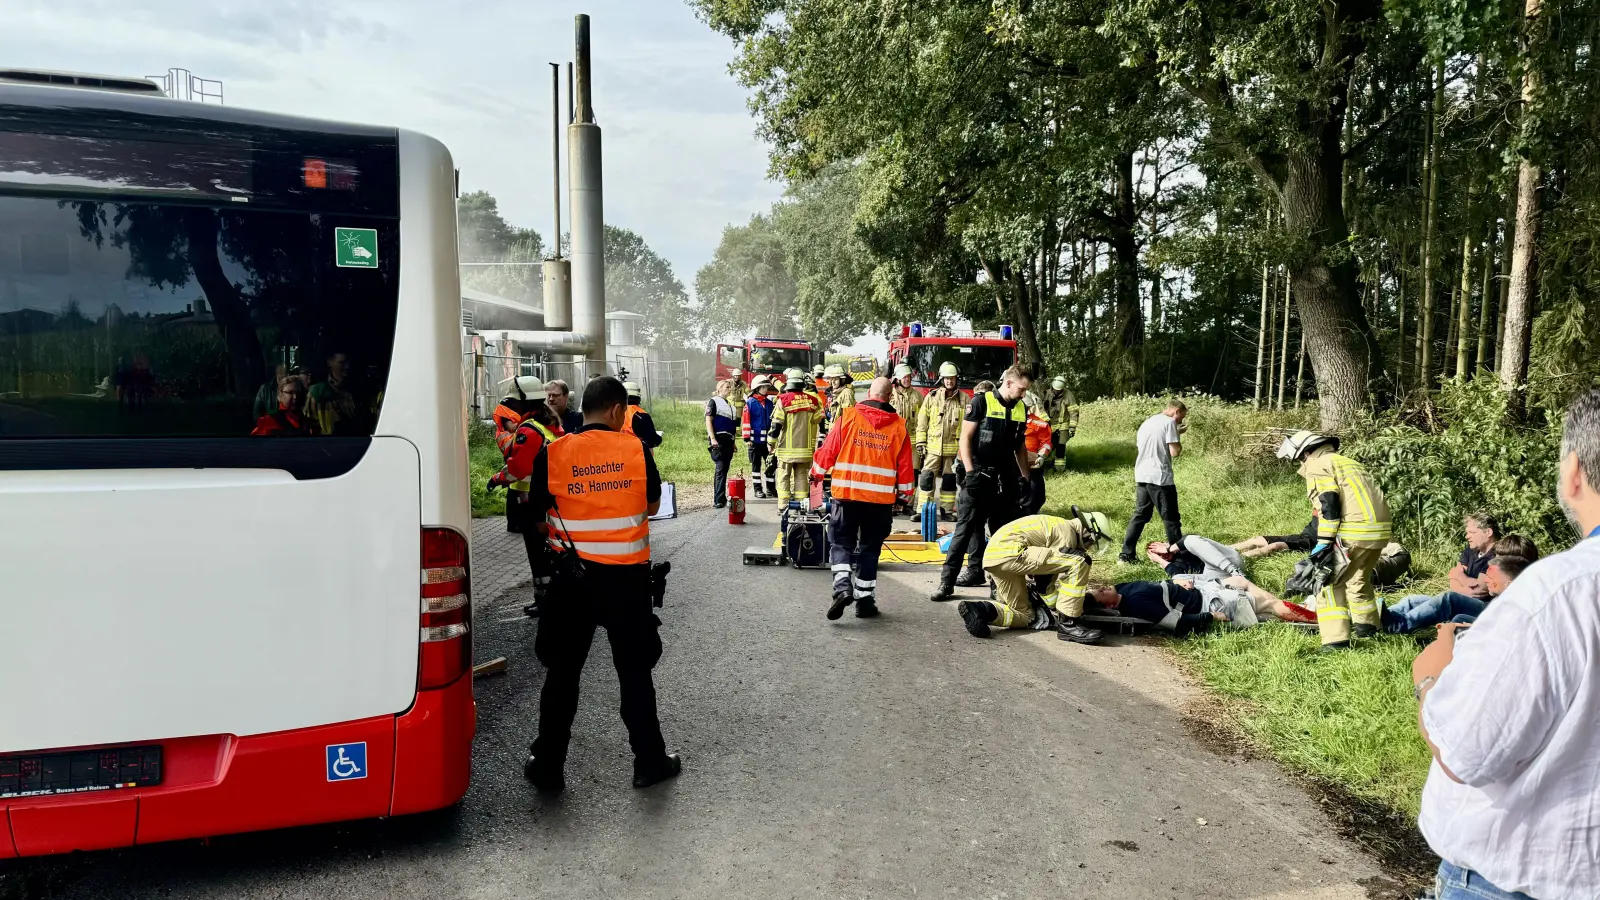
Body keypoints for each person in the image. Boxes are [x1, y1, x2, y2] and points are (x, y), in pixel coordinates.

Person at [1410, 387, 1600, 900]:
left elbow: (1467, 753)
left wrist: (1430, 678)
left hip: (1521, 878)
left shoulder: (1554, 594)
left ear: (1574, 471)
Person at [520, 376, 679, 794]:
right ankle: (649, 762)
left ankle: (549, 765)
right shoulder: (635, 449)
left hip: (571, 584)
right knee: (634, 674)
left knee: (562, 675)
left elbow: (537, 519)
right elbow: (652, 504)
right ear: (615, 410)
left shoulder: (553, 453)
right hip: (626, 583)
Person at [1276, 430, 1393, 649]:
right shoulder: (1348, 462)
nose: (1302, 463)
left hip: (1354, 532)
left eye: (1301, 458)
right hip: (1378, 533)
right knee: (1358, 581)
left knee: (1327, 584)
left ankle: (1335, 641)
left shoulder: (1318, 465)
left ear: (1307, 452)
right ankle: (1368, 629)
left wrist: (1324, 542)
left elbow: (1329, 505)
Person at [810, 377, 914, 620]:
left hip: (847, 497)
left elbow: (828, 451)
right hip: (880, 503)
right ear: (889, 397)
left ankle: (842, 587)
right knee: (870, 549)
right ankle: (864, 603)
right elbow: (906, 467)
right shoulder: (899, 426)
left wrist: (816, 474)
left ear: (868, 393)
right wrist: (904, 496)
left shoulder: (847, 417)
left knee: (841, 543)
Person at [931, 366, 1033, 601]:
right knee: (965, 530)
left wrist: (1025, 478)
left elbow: (1020, 447)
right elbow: (965, 439)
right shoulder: (981, 403)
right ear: (1008, 383)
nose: (1023, 394)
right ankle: (946, 583)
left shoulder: (1021, 409)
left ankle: (998, 585)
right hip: (979, 476)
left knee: (1002, 535)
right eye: (1021, 389)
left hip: (1004, 479)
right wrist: (970, 473)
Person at [957, 509, 1114, 644]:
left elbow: (1044, 580)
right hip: (1012, 552)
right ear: (1089, 533)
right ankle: (1069, 624)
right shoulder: (1067, 534)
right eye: (1092, 543)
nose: (1089, 547)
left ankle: (980, 611)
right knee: (1081, 561)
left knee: (1025, 615)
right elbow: (1044, 581)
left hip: (995, 559)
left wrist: (1054, 606)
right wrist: (1066, 610)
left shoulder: (1058, 525)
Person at [485, 378, 562, 617]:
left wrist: (497, 478)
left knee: (537, 553)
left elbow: (518, 468)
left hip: (532, 501)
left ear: (522, 402)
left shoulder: (529, 429)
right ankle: (555, 597)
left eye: (513, 402)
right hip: (552, 499)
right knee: (551, 550)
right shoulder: (550, 425)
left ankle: (545, 600)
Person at [1382, 535, 1539, 634]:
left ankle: (1399, 624)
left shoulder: (1520, 581)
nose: (1493, 561)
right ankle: (1379, 619)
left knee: (1448, 599)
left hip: (1490, 611)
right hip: (1485, 605)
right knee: (1414, 600)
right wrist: (1459, 581)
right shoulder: (1503, 573)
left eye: (1499, 558)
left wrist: (1459, 581)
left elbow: (1479, 589)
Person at [1085, 573, 1316, 635]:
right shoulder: (1135, 604)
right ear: (1109, 607)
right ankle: (1317, 619)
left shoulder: (1122, 588)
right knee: (1268, 604)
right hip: (1210, 603)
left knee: (1241, 581)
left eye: (1099, 587)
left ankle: (1296, 610)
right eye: (1100, 593)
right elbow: (1176, 624)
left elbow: (1161, 586)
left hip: (1203, 590)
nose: (1103, 588)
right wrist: (1210, 617)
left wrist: (1178, 581)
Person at [1118, 400, 1187, 563]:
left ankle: (1126, 555)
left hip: (1142, 474)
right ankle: (1180, 560)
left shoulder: (1148, 422)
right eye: (1181, 418)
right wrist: (1177, 435)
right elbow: (1175, 451)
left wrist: (1175, 431)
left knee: (1140, 515)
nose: (1180, 421)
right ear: (1176, 411)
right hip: (1160, 478)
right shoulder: (1170, 423)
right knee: (1171, 519)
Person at [914, 362, 967, 520]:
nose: (949, 381)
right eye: (946, 378)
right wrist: (920, 442)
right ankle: (923, 511)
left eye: (952, 378)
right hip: (933, 448)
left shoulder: (965, 399)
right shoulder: (931, 397)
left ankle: (947, 511)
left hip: (953, 449)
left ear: (956, 379)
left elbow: (969, 425)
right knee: (926, 479)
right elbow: (922, 422)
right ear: (941, 379)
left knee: (949, 482)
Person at [767, 368, 823, 507]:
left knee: (784, 477)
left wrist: (771, 442)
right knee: (801, 477)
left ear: (789, 383)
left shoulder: (783, 400)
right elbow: (819, 421)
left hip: (786, 450)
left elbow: (776, 425)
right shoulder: (812, 401)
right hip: (805, 450)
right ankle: (800, 505)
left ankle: (783, 506)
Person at [305, 351, 367, 436]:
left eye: (348, 362)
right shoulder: (317, 393)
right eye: (342, 363)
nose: (347, 367)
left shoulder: (360, 390)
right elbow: (308, 425)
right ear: (329, 363)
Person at [703, 379, 740, 509]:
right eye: (726, 387)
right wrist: (712, 438)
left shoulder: (730, 405)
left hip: (729, 440)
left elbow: (732, 426)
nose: (729, 389)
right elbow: (708, 420)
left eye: (730, 387)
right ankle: (718, 499)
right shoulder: (713, 401)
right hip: (719, 438)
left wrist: (733, 443)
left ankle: (722, 497)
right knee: (720, 468)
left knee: (724, 469)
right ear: (719, 388)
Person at [1145, 534, 1244, 582]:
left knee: (1191, 540)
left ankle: (1255, 544)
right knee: (1179, 580)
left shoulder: (1181, 544)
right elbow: (1180, 577)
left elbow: (1190, 538)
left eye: (1160, 550)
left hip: (1230, 563)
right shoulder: (1172, 566)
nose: (1162, 555)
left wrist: (1169, 549)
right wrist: (1161, 561)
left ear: (1164, 543)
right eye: (1158, 555)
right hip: (1221, 576)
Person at [742, 376, 778, 499]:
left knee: (771, 465)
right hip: (755, 441)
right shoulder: (750, 403)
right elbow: (746, 422)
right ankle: (758, 489)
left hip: (768, 441)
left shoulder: (769, 403)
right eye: (763, 387)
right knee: (756, 466)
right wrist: (747, 438)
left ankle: (771, 488)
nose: (765, 389)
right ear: (757, 388)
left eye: (766, 386)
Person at [250, 377, 318, 436]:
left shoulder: (306, 423)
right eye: (290, 393)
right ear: (280, 395)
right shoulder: (268, 422)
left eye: (298, 393)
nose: (295, 397)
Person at [1022, 396, 1052, 515]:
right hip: (1012, 465)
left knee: (1036, 494)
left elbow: (1046, 443)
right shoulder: (1006, 421)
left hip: (1032, 464)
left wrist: (1041, 456)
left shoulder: (1040, 424)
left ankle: (1032, 514)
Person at [1044, 377, 1079, 471]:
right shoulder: (1047, 393)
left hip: (1063, 426)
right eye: (1055, 389)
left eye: (1059, 390)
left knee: (1061, 446)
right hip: (1050, 426)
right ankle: (1045, 465)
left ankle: (1060, 469)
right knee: (1049, 445)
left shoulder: (1068, 395)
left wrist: (1072, 428)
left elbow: (1074, 412)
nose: (1056, 391)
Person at [621, 381, 663, 450]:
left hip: (616, 456)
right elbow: (651, 441)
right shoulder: (641, 415)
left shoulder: (614, 412)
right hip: (637, 455)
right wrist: (659, 438)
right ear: (638, 396)